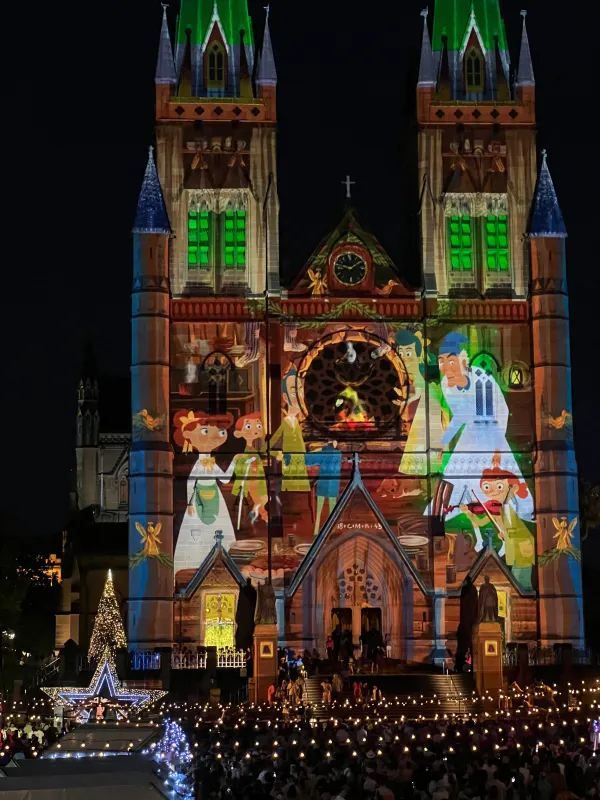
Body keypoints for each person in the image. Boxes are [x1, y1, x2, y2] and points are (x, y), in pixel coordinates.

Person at [173, 410, 236, 575]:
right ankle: (199, 564)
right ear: (188, 436)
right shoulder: (200, 464)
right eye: (205, 431)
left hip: (214, 496)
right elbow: (190, 482)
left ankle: (222, 564)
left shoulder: (210, 463)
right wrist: (189, 504)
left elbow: (224, 479)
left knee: (218, 529)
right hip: (199, 499)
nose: (214, 437)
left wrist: (235, 462)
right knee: (198, 532)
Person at [270, 367, 310, 492]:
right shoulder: (287, 422)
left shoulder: (300, 421)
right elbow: (269, 447)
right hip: (291, 472)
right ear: (285, 397)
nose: (299, 396)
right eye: (294, 392)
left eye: (300, 390)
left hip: (301, 469)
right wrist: (281, 455)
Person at [232, 413, 268, 525]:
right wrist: (248, 462)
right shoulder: (244, 451)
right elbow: (239, 466)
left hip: (258, 479)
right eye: (248, 427)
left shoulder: (252, 449)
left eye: (258, 426)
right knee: (261, 499)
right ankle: (263, 516)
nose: (256, 430)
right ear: (239, 433)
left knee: (263, 499)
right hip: (252, 481)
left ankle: (256, 514)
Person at [305, 441, 342, 536]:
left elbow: (308, 459)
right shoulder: (338, 454)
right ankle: (331, 530)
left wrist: (317, 450)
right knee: (332, 510)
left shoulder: (324, 452)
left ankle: (316, 530)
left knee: (318, 511)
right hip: (334, 484)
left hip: (323, 484)